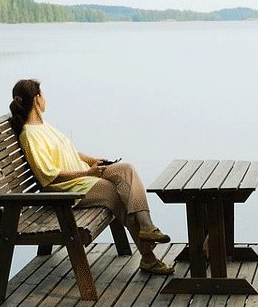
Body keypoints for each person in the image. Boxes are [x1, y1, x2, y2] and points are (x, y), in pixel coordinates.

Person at [9, 78, 174, 275]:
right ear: (37, 99)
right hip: (69, 189)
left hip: (85, 178)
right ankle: (148, 257)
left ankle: (147, 226)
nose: (46, 99)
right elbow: (49, 177)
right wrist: (88, 172)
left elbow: (69, 151)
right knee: (117, 193)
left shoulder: (44, 126)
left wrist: (92, 160)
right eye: (43, 95)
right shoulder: (30, 135)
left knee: (126, 170)